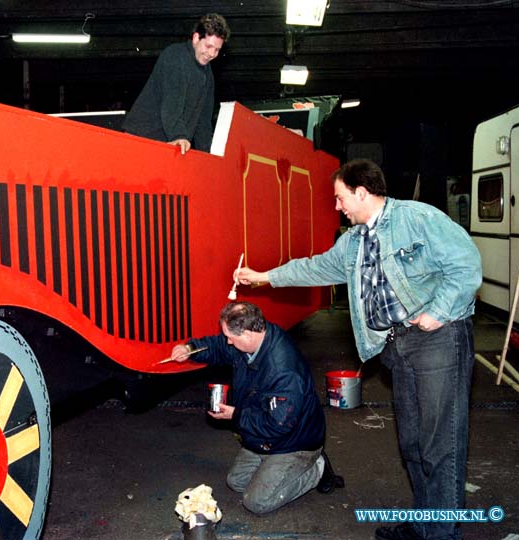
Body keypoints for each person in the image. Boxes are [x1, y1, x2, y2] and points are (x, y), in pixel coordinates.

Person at [235, 159, 482, 540]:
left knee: (440, 444)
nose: (337, 207)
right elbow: (315, 269)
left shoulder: (416, 218)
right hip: (397, 346)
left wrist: (438, 311)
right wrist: (264, 276)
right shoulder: (352, 243)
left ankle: (443, 533)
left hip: (438, 340)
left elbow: (465, 264)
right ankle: (426, 524)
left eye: (339, 197)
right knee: (413, 443)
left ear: (361, 192)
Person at [170, 301, 344, 515]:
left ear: (247, 334)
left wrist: (235, 415)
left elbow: (277, 425)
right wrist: (189, 349)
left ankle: (317, 468)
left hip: (294, 441)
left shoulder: (284, 371)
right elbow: (217, 346)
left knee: (257, 502)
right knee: (237, 482)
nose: (228, 342)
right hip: (265, 436)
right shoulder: (254, 338)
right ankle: (276, 469)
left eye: (231, 338)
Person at [122, 13, 229, 154]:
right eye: (208, 46)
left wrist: (209, 155)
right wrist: (179, 136)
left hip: (166, 142)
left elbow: (203, 120)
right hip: (140, 139)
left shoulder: (207, 74)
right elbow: (172, 104)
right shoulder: (175, 56)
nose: (211, 54)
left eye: (217, 50)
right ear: (196, 38)